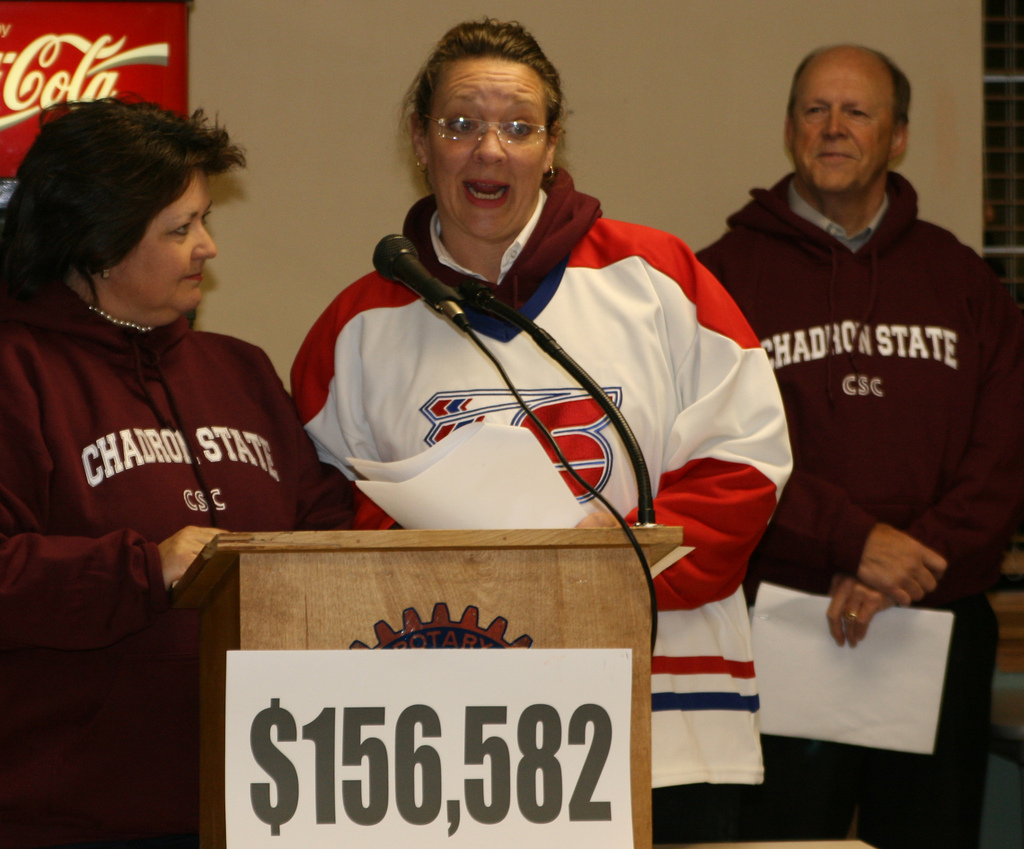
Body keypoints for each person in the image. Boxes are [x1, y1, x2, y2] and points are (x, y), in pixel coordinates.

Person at [291, 17, 791, 843]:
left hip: (666, 720)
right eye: (460, 125)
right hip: (453, 742)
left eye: (519, 128)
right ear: (419, 141)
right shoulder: (355, 327)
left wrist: (620, 561)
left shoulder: (656, 278)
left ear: (553, 146)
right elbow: (323, 522)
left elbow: (749, 460)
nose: (490, 150)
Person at [0, 98, 354, 849]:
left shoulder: (244, 371)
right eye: (180, 228)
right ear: (98, 242)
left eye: (204, 220)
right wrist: (147, 567)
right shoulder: (15, 370)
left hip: (265, 807)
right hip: (67, 815)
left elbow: (330, 532)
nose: (209, 247)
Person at [697, 45, 1024, 849]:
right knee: (778, 842)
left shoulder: (966, 282)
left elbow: (1006, 454)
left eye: (858, 111)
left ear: (899, 135)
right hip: (781, 625)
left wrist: (909, 562)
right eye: (815, 109)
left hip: (935, 621)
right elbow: (713, 449)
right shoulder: (719, 279)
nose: (834, 128)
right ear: (789, 128)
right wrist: (854, 541)